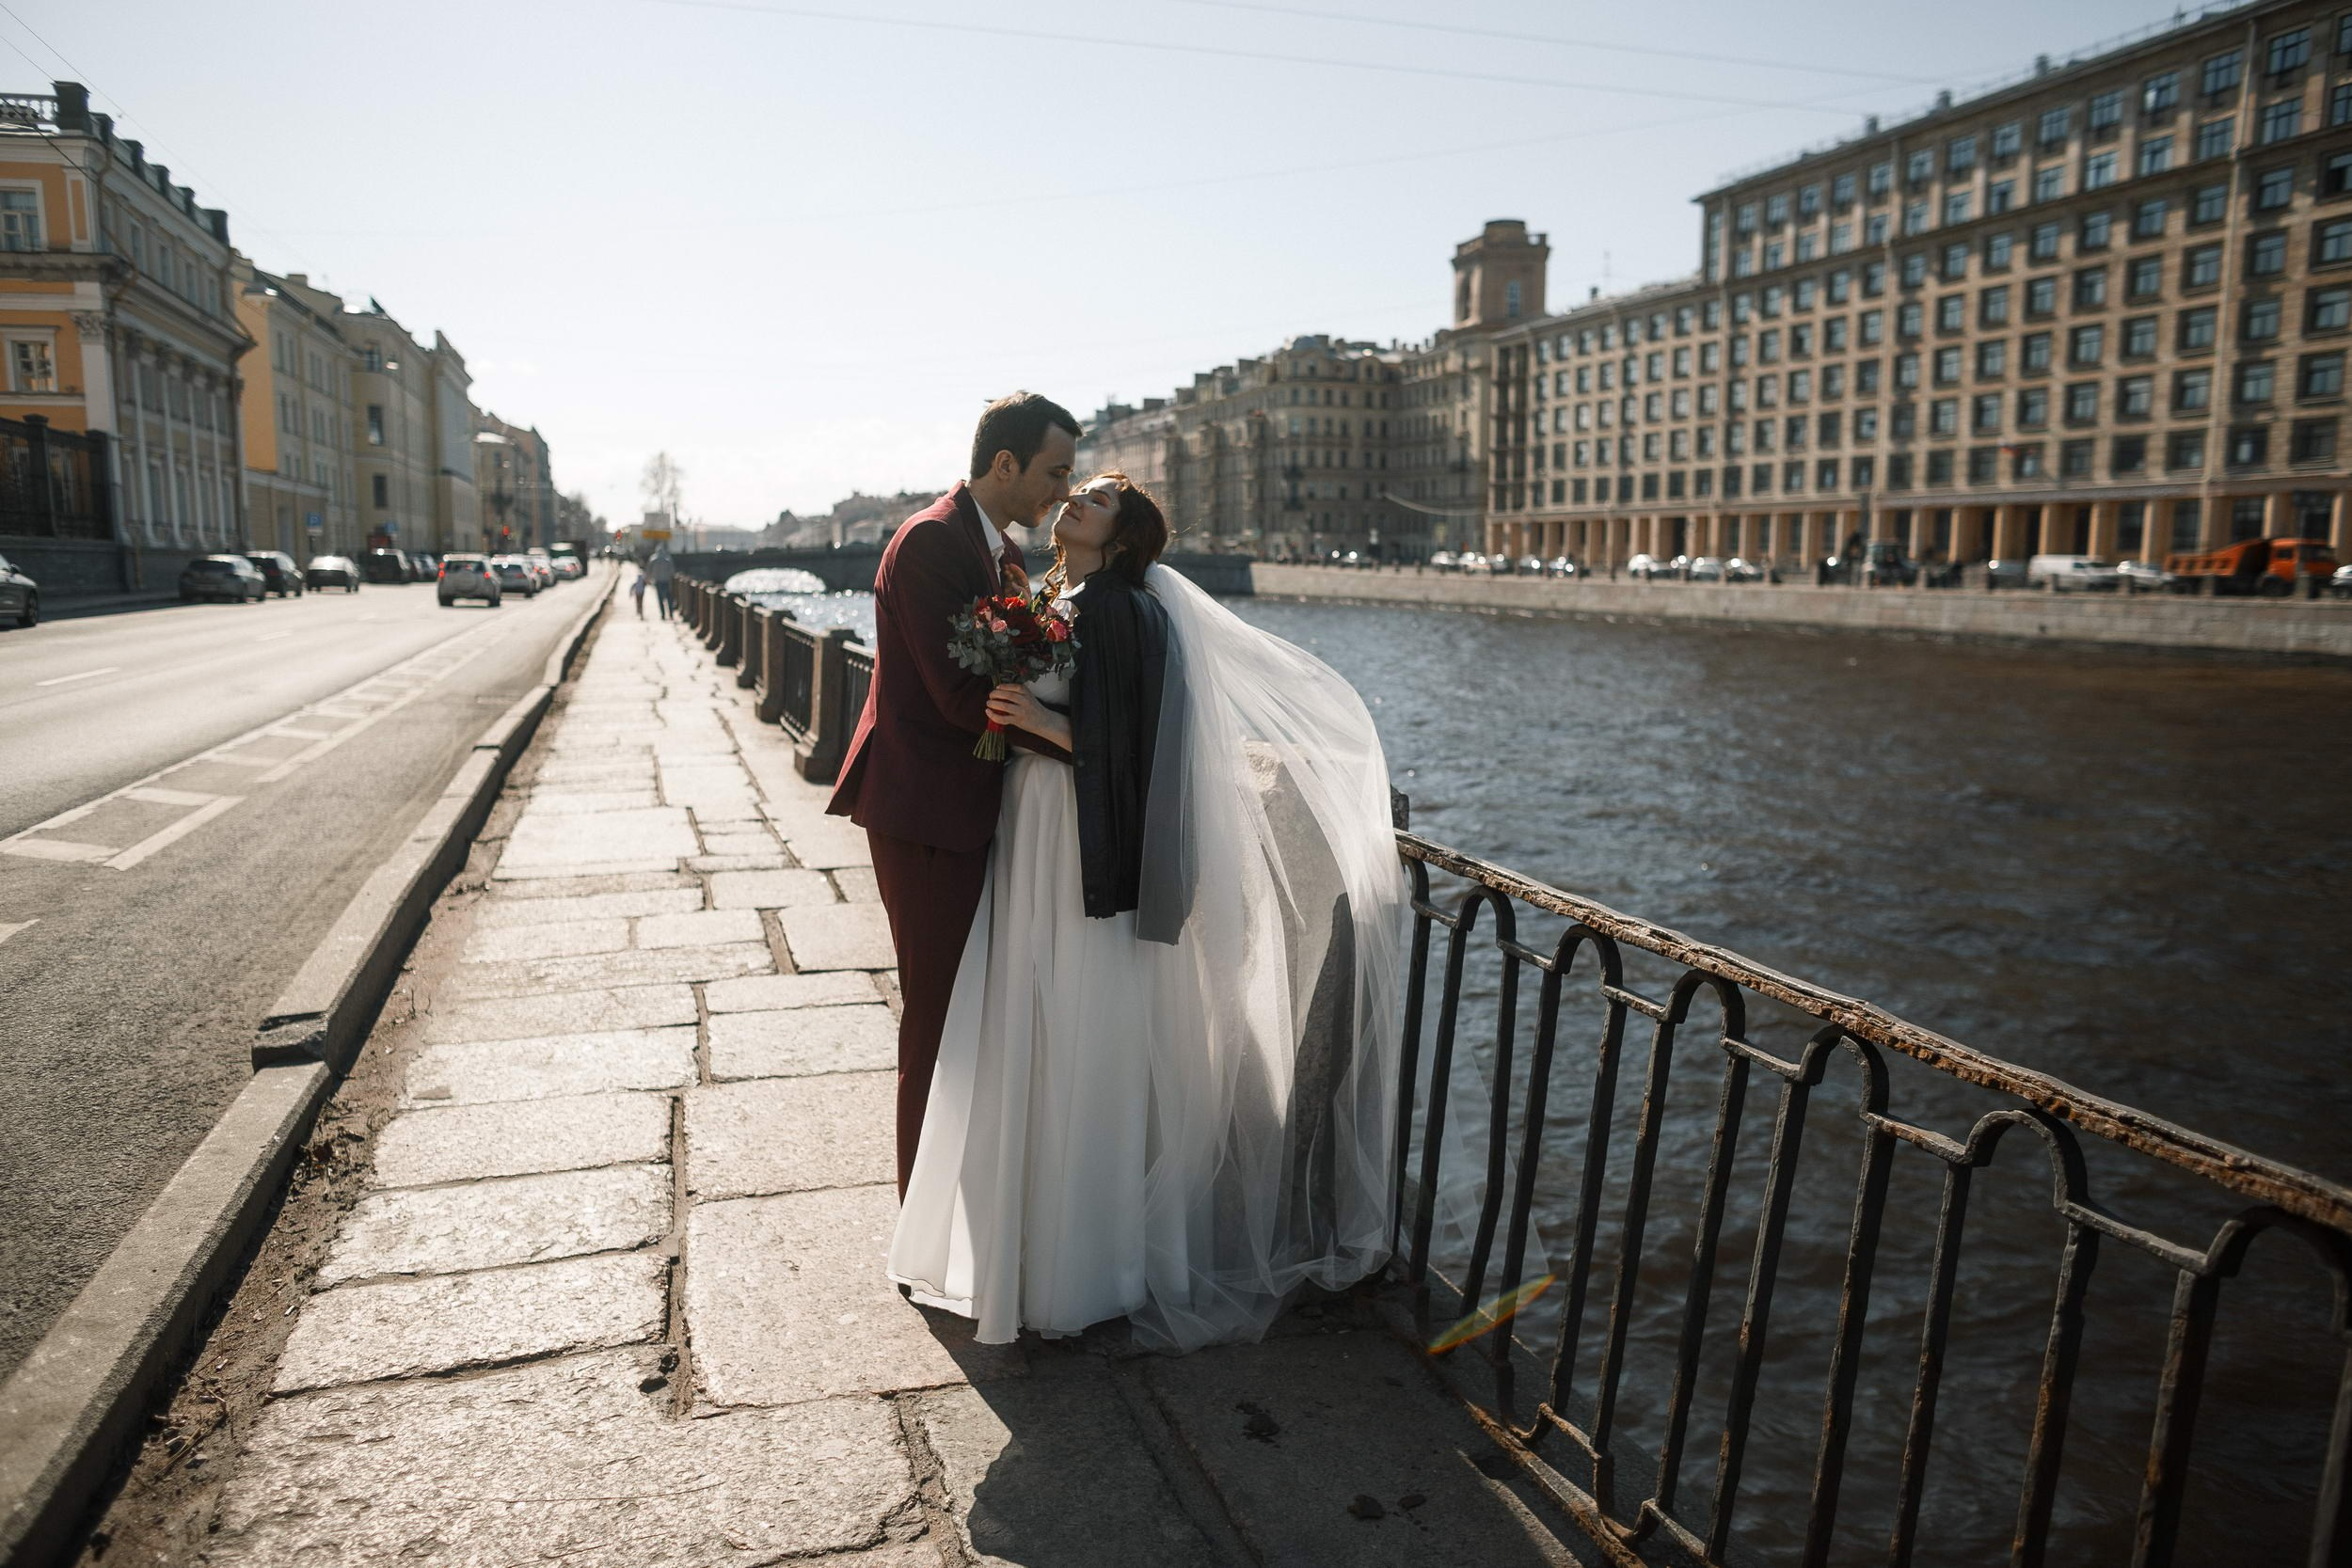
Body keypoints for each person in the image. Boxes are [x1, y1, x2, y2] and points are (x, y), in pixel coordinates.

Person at [886, 470, 1411, 1353]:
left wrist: (1042, 728)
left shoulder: (1123, 608)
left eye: (1094, 500)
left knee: (1075, 1030)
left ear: (1122, 537)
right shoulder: (1061, 595)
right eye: (1076, 491)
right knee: (1038, 1027)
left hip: (1073, 843)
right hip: (1041, 829)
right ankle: (1029, 1246)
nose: (1074, 501)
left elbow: (1146, 740)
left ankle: (1078, 1265)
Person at [827, 391, 1080, 1197]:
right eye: (1055, 471)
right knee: (934, 1014)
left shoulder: (996, 550)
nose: (1063, 493)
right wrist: (1087, 750)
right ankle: (920, 1216)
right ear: (1004, 464)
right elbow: (960, 696)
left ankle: (960, 1196)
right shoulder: (934, 540)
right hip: (928, 812)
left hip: (959, 809)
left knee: (965, 1011)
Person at [647, 547, 675, 619]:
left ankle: (663, 615)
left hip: (658, 581)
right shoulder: (667, 559)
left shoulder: (653, 559)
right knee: (669, 599)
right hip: (666, 581)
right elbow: (672, 572)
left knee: (660, 599)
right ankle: (671, 614)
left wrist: (649, 579)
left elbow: (649, 570)